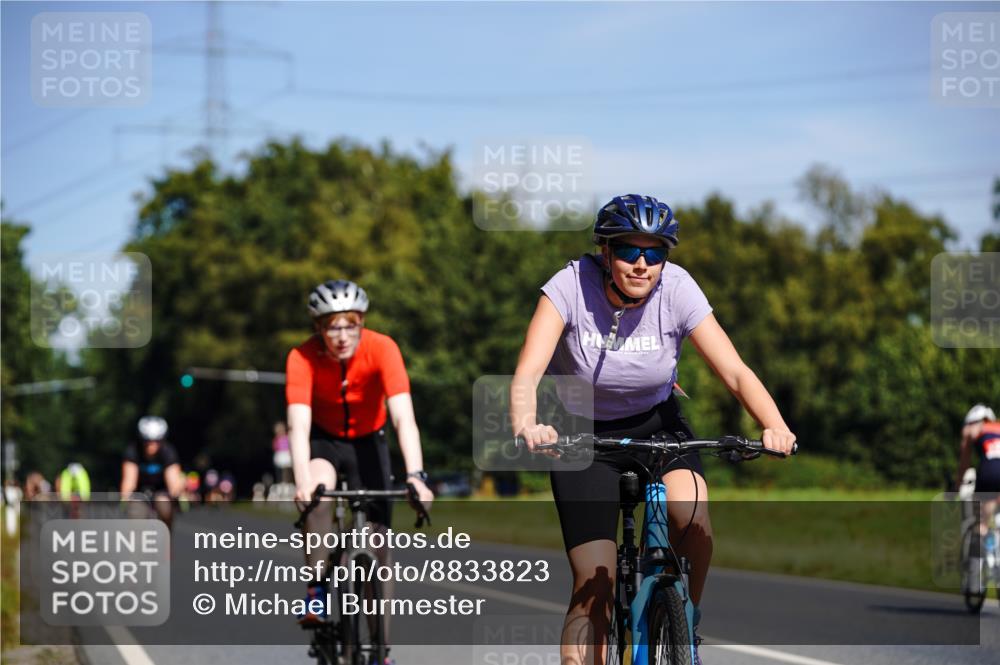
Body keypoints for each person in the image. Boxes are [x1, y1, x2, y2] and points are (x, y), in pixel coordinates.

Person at [510, 194, 796, 665]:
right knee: (594, 584)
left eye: (655, 253)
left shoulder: (678, 289)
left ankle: (683, 622)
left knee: (692, 516)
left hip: (659, 426)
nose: (642, 264)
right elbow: (527, 372)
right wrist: (526, 422)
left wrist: (774, 425)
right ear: (605, 252)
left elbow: (735, 371)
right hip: (584, 436)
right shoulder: (569, 286)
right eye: (629, 250)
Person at [286, 279, 434, 627]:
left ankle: (382, 646)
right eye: (332, 327)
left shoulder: (382, 348)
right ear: (318, 328)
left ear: (362, 322)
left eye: (350, 325)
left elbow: (404, 418)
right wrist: (302, 481)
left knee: (379, 547)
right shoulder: (301, 357)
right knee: (319, 497)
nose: (342, 336)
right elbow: (298, 424)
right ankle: (317, 591)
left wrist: (416, 476)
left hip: (370, 440)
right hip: (325, 440)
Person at [121, 416, 185, 528]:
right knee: (136, 514)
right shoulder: (133, 451)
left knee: (164, 507)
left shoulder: (168, 452)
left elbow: (173, 481)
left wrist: (177, 492)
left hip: (161, 490)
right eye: (147, 441)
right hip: (140, 491)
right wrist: (125, 499)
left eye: (156, 441)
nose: (151, 444)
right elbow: (129, 481)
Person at [956, 404, 1000, 557]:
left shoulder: (972, 428)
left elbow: (964, 462)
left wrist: (957, 485)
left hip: (990, 471)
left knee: (981, 520)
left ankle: (978, 557)